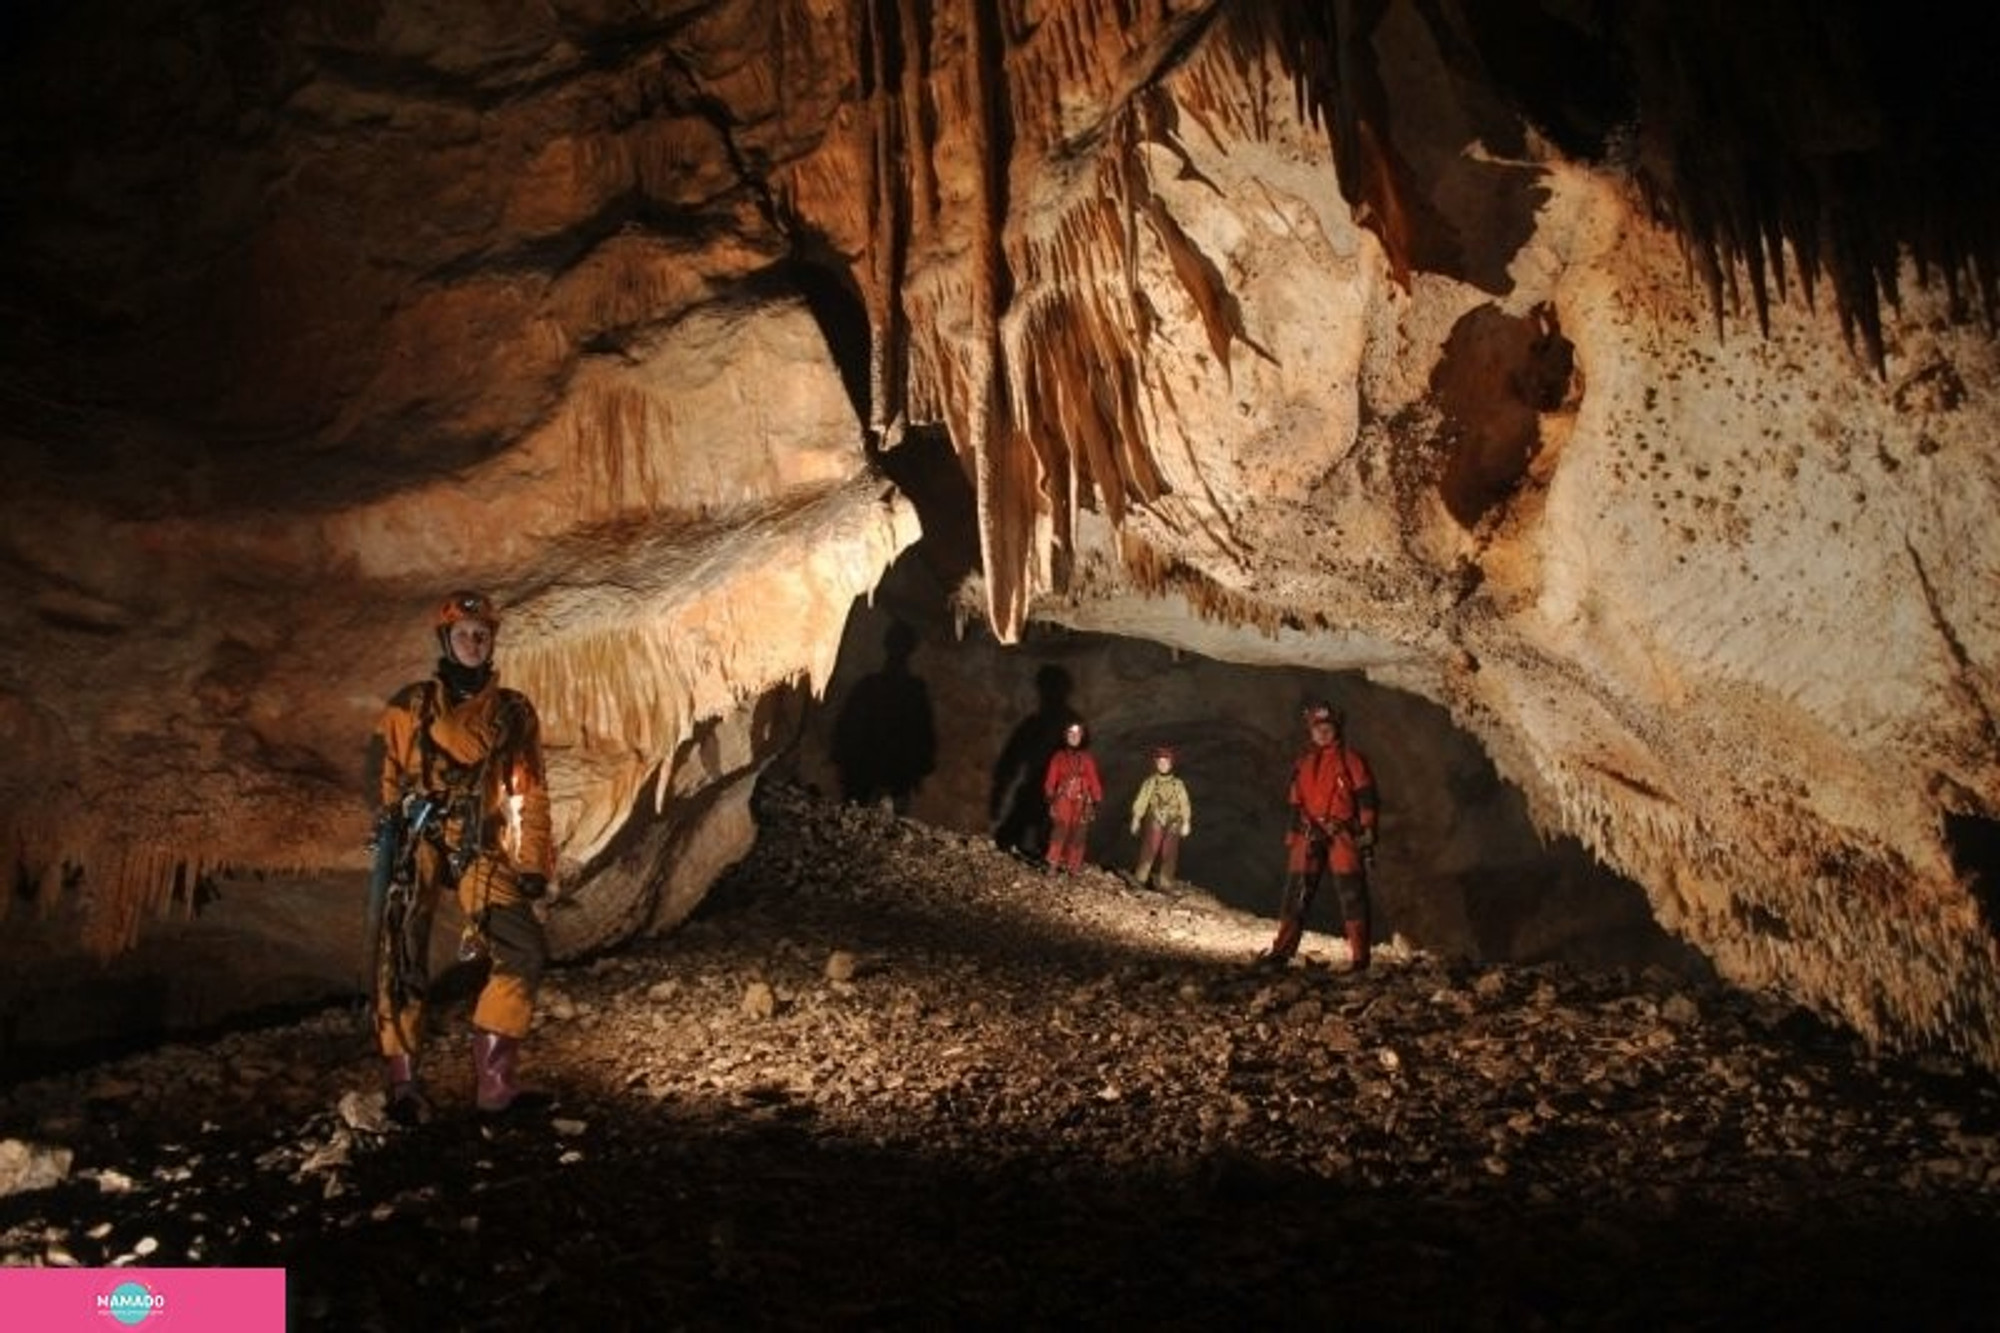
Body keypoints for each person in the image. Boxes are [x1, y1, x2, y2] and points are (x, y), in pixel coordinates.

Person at [368, 590, 557, 1121]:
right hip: (418, 836)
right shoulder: (410, 706)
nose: (473, 643)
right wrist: (389, 831)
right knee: (400, 949)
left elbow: (530, 791)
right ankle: (404, 1085)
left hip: (478, 839)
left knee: (523, 947)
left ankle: (496, 1085)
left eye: (482, 635)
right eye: (463, 636)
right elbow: (384, 775)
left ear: (492, 640)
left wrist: (532, 863)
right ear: (445, 642)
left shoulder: (513, 711)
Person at [1258, 700, 1379, 970]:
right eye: (1318, 727)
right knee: (1296, 893)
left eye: (1328, 726)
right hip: (1308, 831)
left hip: (1342, 831)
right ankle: (1281, 952)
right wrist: (1292, 834)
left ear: (1336, 728)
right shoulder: (1303, 763)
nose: (1323, 732)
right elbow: (1295, 801)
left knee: (1352, 893)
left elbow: (1365, 795)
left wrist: (1368, 828)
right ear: (1310, 731)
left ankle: (1360, 958)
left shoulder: (1351, 759)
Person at [1042, 719, 1104, 872]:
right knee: (1060, 828)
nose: (1074, 736)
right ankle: (1053, 862)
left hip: (1082, 799)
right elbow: (1051, 778)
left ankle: (1073, 865)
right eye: (1071, 733)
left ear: (1082, 737)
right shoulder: (1058, 757)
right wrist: (1050, 796)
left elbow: (1093, 778)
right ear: (1066, 735)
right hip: (1063, 797)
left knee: (1079, 831)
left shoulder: (1087, 758)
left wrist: (1096, 798)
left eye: (1077, 734)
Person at [1128, 745, 1192, 889]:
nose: (1162, 765)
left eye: (1166, 762)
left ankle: (1166, 882)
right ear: (1156, 764)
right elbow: (1142, 800)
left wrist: (1187, 821)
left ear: (1171, 764)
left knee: (1169, 851)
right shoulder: (1150, 782)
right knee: (1149, 847)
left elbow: (1184, 802)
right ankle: (1140, 878)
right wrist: (1136, 818)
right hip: (1155, 817)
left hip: (1174, 819)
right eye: (1160, 762)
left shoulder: (1178, 784)